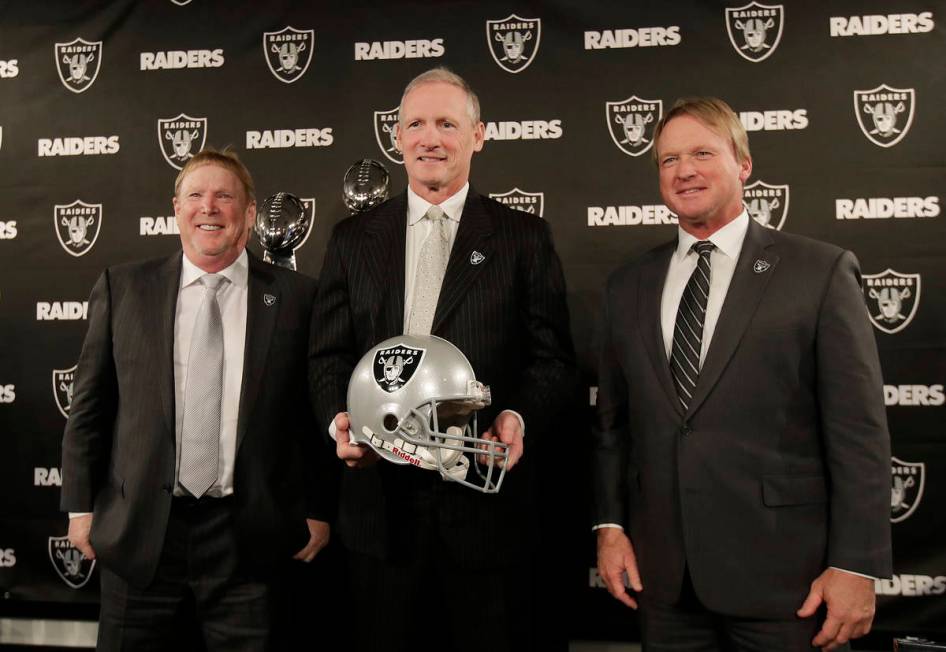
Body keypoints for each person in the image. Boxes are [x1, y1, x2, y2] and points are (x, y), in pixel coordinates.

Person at [592, 97, 891, 651]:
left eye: (703, 153)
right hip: (666, 586)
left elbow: (860, 433)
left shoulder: (819, 272)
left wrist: (856, 564)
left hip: (789, 586)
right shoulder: (626, 286)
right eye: (668, 159)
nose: (684, 171)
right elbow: (612, 428)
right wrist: (609, 528)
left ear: (744, 164)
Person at [310, 67, 576, 651]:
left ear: (478, 136)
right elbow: (327, 354)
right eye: (416, 124)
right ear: (397, 137)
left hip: (485, 518)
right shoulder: (352, 239)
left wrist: (519, 417)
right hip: (379, 515)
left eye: (447, 124)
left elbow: (553, 360)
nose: (430, 138)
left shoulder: (522, 237)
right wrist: (340, 421)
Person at [60, 148, 334, 651]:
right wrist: (79, 507)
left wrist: (317, 507)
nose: (209, 207)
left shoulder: (299, 298)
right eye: (196, 195)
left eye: (224, 196)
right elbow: (89, 409)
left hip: (250, 541)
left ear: (249, 213)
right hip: (140, 535)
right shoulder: (124, 288)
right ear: (176, 209)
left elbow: (314, 414)